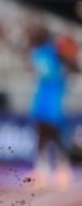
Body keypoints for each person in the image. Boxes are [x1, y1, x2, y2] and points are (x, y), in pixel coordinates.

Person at [28, 26, 78, 190]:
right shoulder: (35, 52)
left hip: (56, 95)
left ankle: (63, 168)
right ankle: (41, 169)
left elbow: (71, 62)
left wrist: (67, 55)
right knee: (41, 132)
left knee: (56, 133)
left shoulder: (55, 49)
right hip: (42, 95)